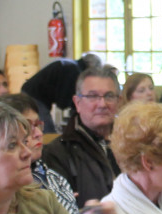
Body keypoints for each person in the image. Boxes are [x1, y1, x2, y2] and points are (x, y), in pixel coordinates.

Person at [42, 67, 122, 205]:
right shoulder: (57, 153)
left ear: (119, 102)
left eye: (109, 96)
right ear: (77, 103)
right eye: (93, 96)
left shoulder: (132, 145)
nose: (102, 104)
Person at [0, 94, 78, 213]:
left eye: (38, 124)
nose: (39, 133)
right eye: (28, 127)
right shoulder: (7, 190)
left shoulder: (54, 177)